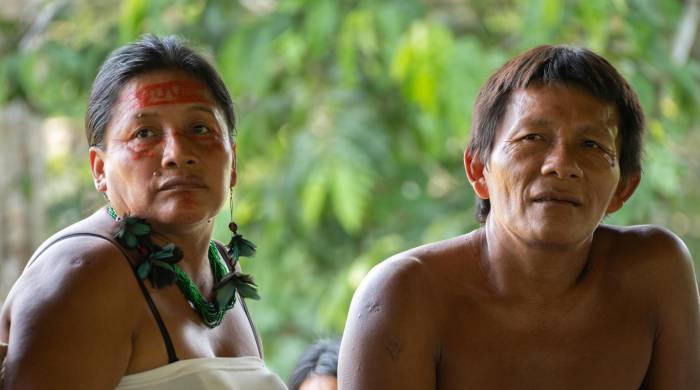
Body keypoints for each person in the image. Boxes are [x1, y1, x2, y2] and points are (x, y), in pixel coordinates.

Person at [338, 45, 700, 389]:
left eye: (592, 145)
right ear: (478, 170)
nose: (561, 165)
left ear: (624, 188)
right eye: (532, 138)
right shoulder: (404, 296)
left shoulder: (654, 274)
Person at [0, 35, 287, 389]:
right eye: (145, 132)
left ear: (233, 161)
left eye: (199, 128)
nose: (177, 153)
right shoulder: (87, 272)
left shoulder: (221, 270)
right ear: (99, 169)